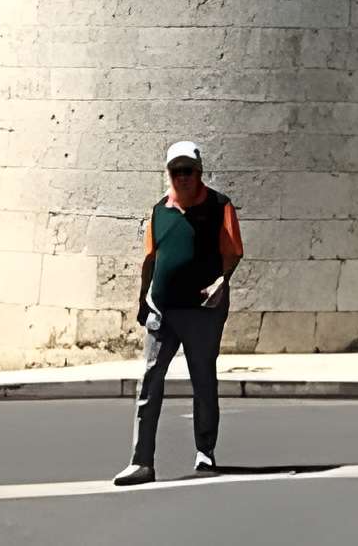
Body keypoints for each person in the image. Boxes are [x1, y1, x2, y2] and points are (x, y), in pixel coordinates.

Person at [112, 141, 244, 484]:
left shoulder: (219, 206)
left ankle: (205, 450)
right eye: (176, 171)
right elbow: (150, 259)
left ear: (199, 173)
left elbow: (232, 253)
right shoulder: (160, 210)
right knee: (149, 382)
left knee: (203, 381)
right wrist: (143, 298)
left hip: (202, 310)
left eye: (188, 171)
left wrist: (222, 281)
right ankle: (141, 462)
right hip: (163, 308)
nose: (182, 178)